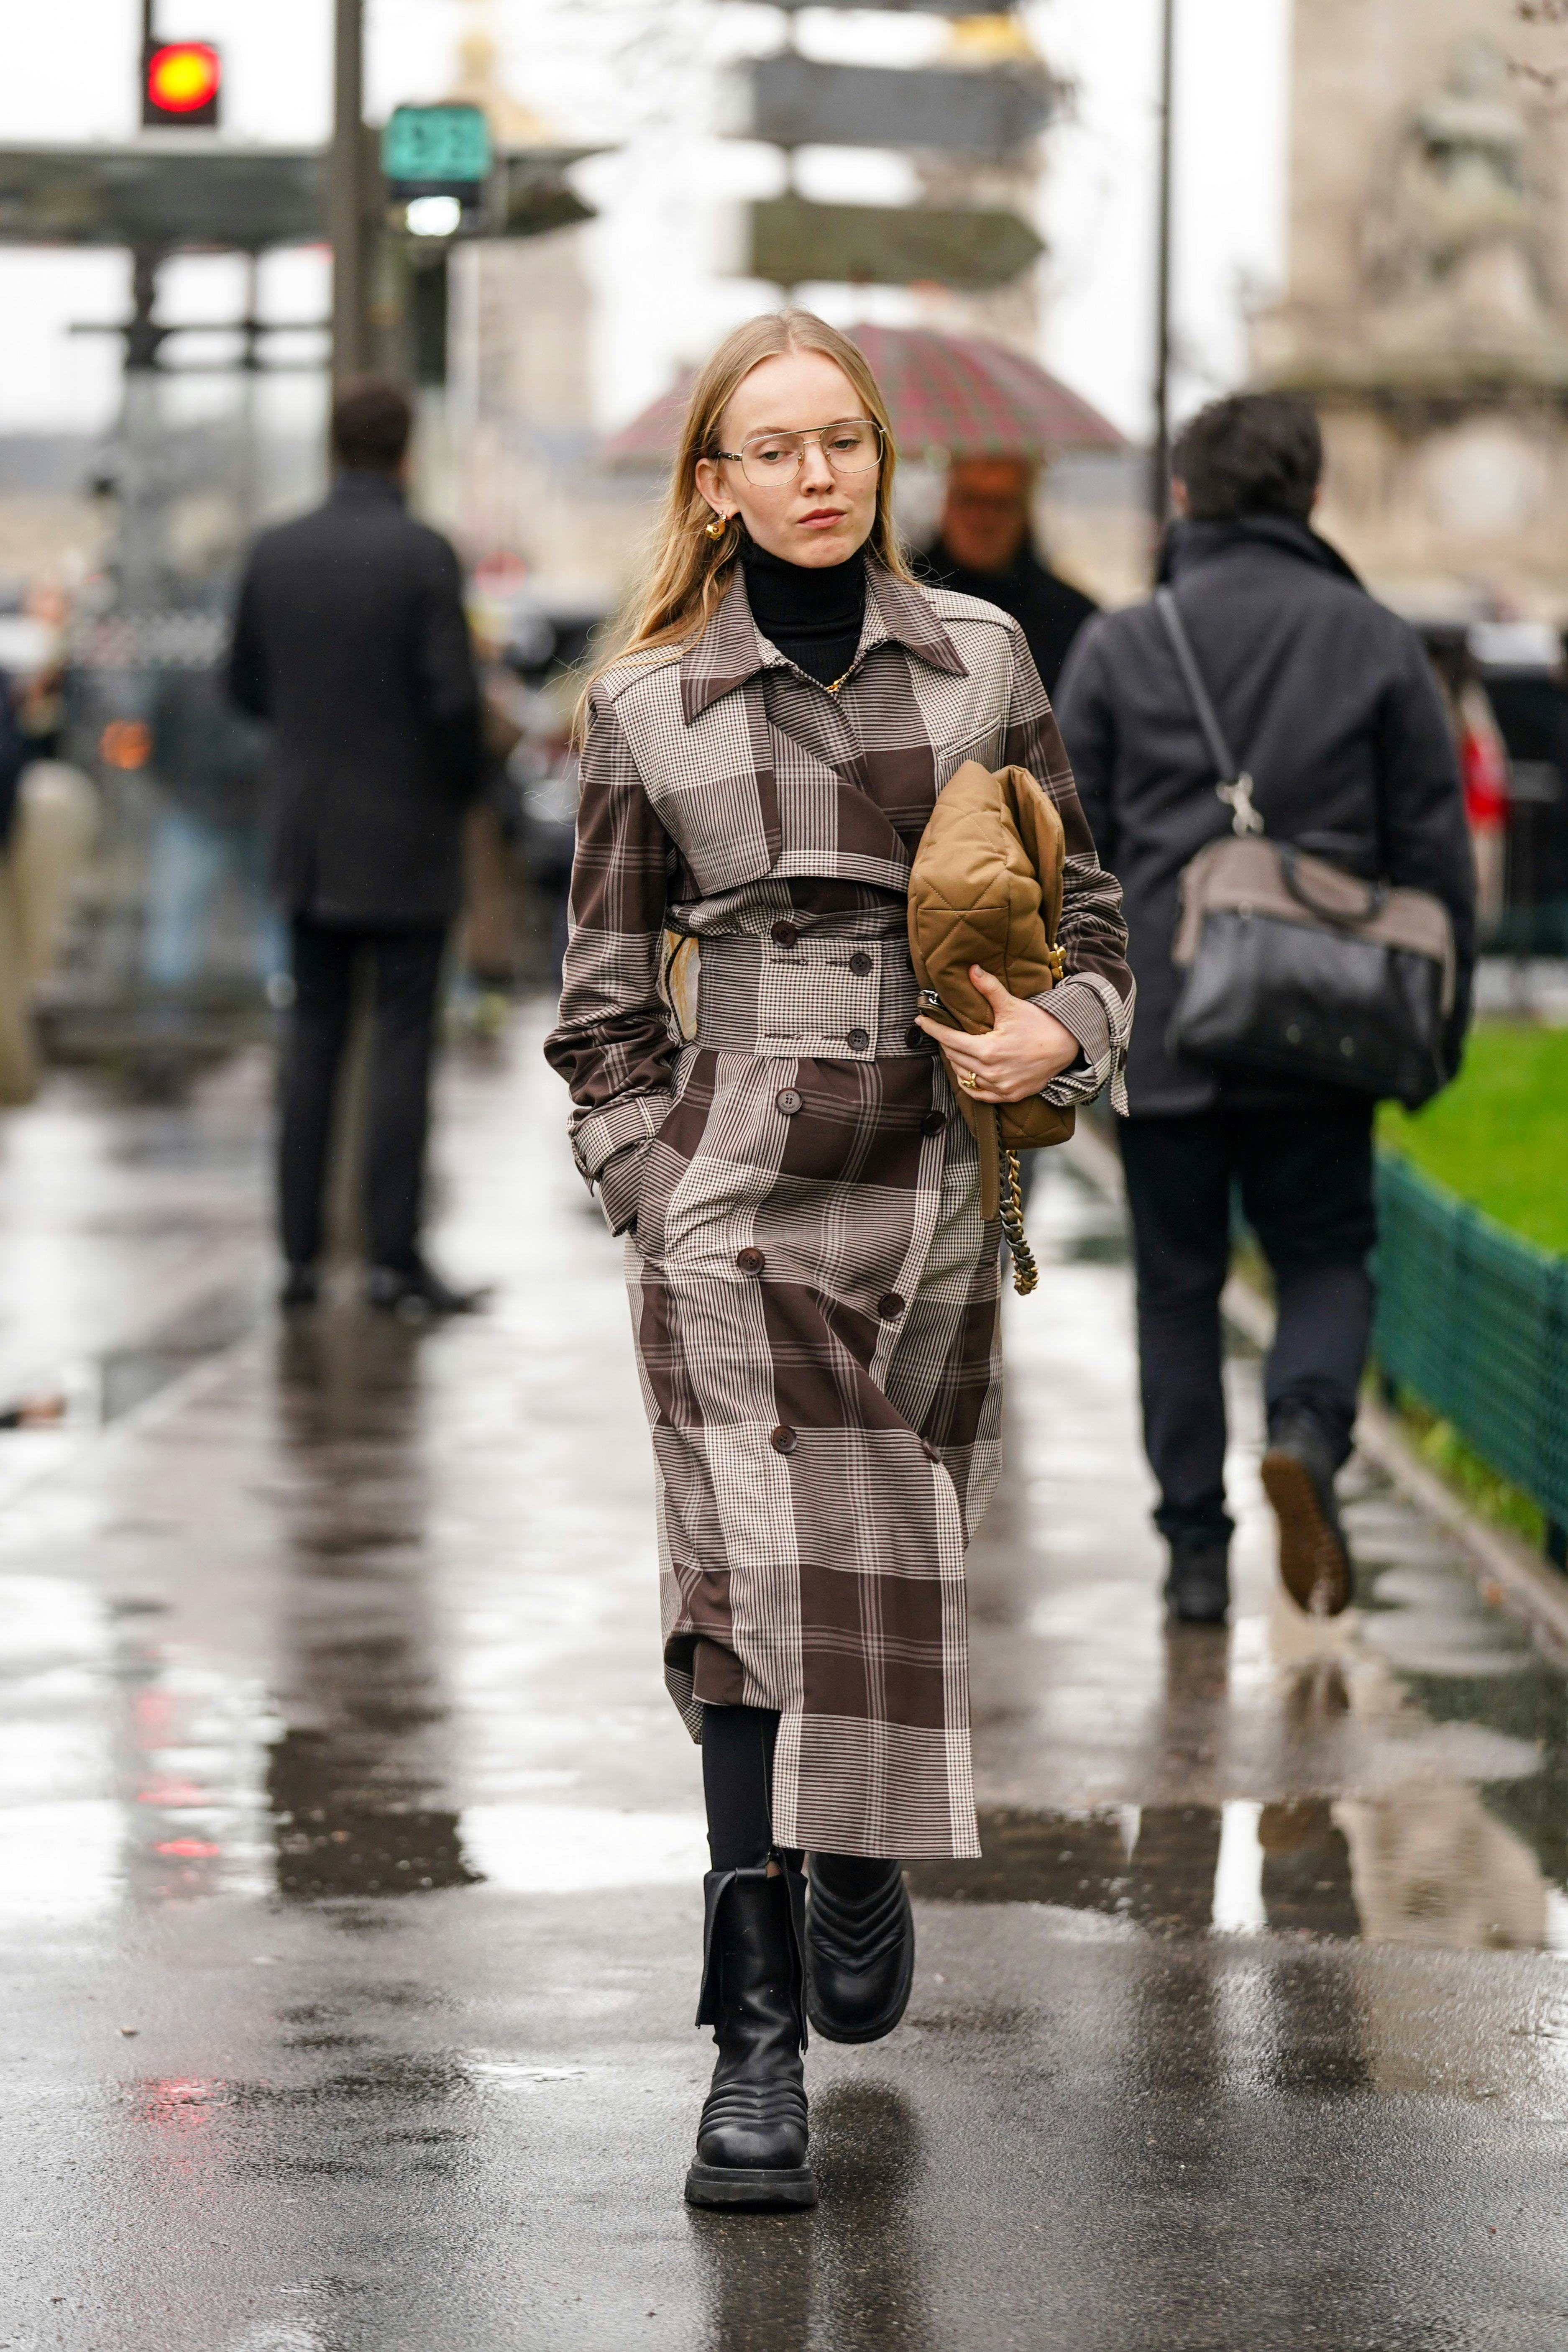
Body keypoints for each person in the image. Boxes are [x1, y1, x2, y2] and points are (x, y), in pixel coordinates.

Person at [544, 310, 1133, 2210]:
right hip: (728, 1187)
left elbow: (1092, 914)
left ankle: (856, 1832)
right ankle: (751, 2042)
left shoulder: (983, 657)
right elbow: (597, 1004)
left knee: (882, 1548)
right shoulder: (642, 701)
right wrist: (646, 1179)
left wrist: (1068, 1033)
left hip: (934, 1180)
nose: (813, 476)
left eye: (840, 446)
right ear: (712, 485)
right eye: (771, 447)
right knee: (747, 1591)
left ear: (873, 465)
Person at [1054, 393, 1476, 1628]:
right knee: (1324, 1252)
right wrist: (1430, 1038)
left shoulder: (1125, 647)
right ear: (1310, 501)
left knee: (1176, 1284)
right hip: (1325, 1022)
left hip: (1168, 1021)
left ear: (1181, 498)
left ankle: (1194, 1555)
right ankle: (1303, 1427)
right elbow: (1436, 865)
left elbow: (1066, 854)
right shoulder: (1378, 643)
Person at [228, 376, 486, 1317]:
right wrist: (459, 787)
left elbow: (243, 686)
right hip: (408, 840)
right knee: (402, 1051)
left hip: (307, 842)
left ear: (334, 449)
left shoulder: (276, 550)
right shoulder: (423, 555)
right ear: (406, 450)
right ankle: (392, 1261)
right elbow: (453, 700)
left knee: (312, 1047)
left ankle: (298, 1262)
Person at [918, 455, 1098, 699]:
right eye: (970, 500)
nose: (983, 520)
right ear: (946, 503)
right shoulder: (893, 596)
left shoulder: (1070, 617)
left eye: (1000, 504)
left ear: (1025, 512)